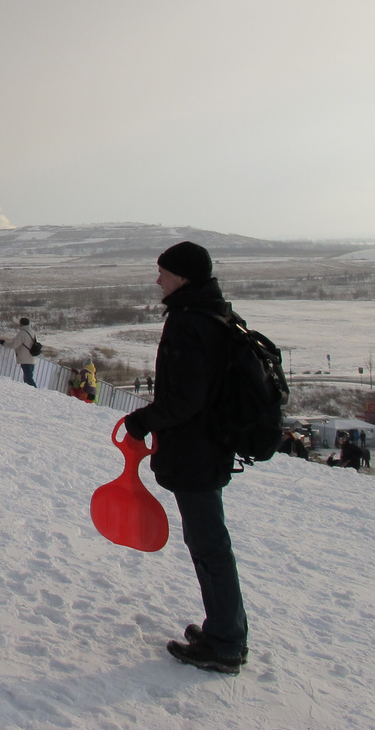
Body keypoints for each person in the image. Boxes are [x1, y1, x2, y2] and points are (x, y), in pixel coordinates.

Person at [122, 241, 248, 675]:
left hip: (196, 450)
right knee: (208, 541)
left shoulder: (188, 321)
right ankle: (223, 629)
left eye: (164, 272)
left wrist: (141, 420)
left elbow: (186, 398)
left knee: (210, 544)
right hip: (207, 446)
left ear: (184, 277)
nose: (158, 279)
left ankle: (226, 643)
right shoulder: (214, 313)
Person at [1, 317, 39, 386]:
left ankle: (35, 392)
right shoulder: (33, 333)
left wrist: (4, 343)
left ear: (21, 324)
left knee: (28, 379)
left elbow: (13, 345)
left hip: (25, 359)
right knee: (28, 377)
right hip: (32, 358)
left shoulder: (22, 333)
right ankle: (31, 392)